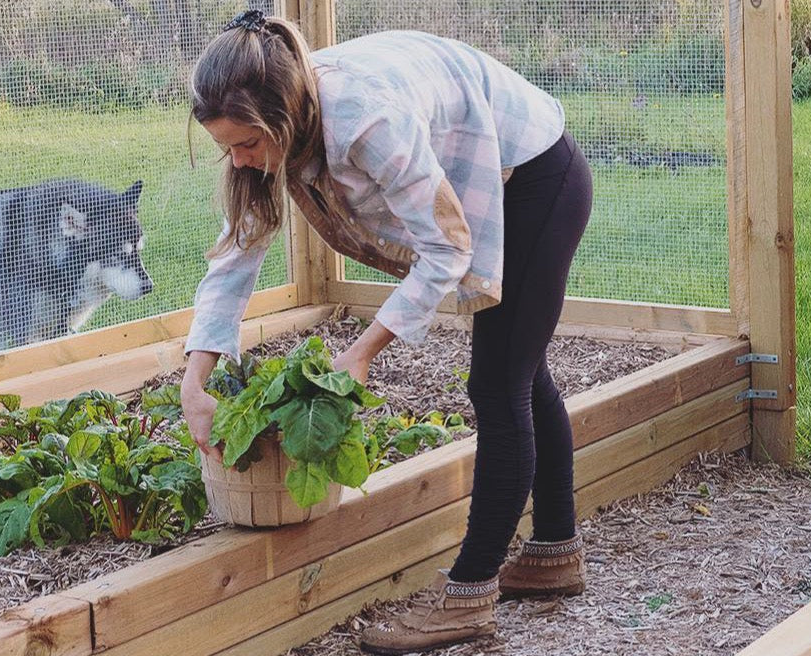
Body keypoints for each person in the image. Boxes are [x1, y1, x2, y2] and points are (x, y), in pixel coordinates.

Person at [179, 10, 593, 654]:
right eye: (225, 146)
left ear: (283, 118)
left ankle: (468, 598)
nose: (238, 159)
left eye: (247, 144)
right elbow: (236, 255)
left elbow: (446, 247)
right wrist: (195, 379)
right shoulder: (276, 123)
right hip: (498, 172)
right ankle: (553, 556)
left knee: (497, 385)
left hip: (536, 175)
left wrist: (361, 352)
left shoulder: (366, 120)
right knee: (522, 369)